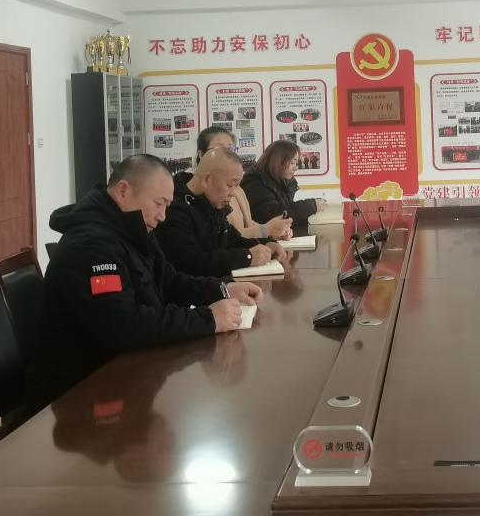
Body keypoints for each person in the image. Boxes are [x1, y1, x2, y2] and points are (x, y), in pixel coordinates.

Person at [26, 155, 263, 408]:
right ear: (123, 191)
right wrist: (208, 318)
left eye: (167, 206)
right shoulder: (90, 245)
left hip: (124, 367)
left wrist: (222, 289)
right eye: (159, 204)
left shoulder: (133, 227)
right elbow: (124, 324)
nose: (163, 216)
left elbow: (170, 280)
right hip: (78, 391)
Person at [155, 146, 288, 278]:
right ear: (207, 179)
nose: (233, 193)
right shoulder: (174, 209)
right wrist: (247, 257)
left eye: (236, 186)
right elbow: (190, 262)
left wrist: (265, 245)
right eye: (230, 185)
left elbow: (232, 240)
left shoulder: (211, 202)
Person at [194, 126, 293, 241]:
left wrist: (273, 232)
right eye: (219, 149)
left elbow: (248, 223)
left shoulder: (238, 190)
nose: (227, 155)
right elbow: (223, 238)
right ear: (201, 155)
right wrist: (266, 230)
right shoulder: (201, 191)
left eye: (230, 149)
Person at [241, 140, 324, 225]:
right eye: (292, 163)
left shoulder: (281, 180)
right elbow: (270, 216)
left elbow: (287, 210)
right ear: (277, 161)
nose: (295, 168)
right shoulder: (255, 183)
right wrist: (311, 206)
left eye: (296, 163)